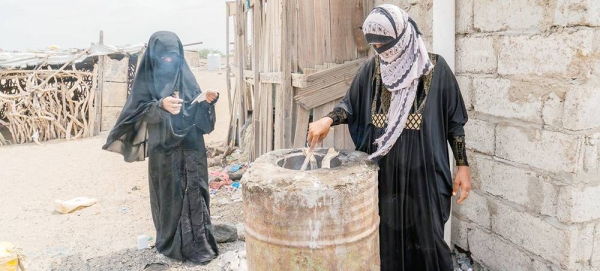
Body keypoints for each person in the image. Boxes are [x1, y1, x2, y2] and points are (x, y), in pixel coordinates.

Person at [307, 5, 471, 270]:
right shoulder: (372, 70)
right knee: (387, 242)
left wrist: (462, 166)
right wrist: (328, 119)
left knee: (429, 242)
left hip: (426, 177)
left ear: (404, 35)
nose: (383, 53)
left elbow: (455, 124)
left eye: (387, 45)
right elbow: (350, 105)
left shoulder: (436, 70)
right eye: (376, 47)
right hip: (385, 177)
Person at [102, 31, 219, 263]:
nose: (169, 63)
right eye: (164, 58)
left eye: (173, 58)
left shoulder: (185, 75)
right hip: (164, 150)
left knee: (197, 191)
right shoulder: (146, 79)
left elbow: (197, 113)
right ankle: (170, 243)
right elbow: (133, 114)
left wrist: (207, 102)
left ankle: (200, 243)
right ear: (154, 57)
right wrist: (160, 106)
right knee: (169, 195)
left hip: (192, 145)